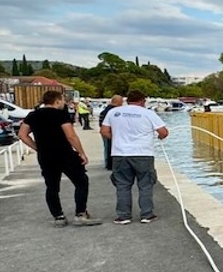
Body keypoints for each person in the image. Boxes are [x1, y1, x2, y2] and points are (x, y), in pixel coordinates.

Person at [18, 90, 99, 226]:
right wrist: (81, 153)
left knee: (52, 186)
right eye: (62, 100)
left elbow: (22, 134)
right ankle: (80, 213)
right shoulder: (60, 114)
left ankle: (58, 216)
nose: (63, 103)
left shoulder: (33, 115)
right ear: (56, 101)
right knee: (81, 181)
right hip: (64, 153)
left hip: (45, 156)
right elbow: (70, 135)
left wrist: (37, 147)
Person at [100, 89, 169, 224]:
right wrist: (160, 137)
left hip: (120, 154)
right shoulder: (148, 113)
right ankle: (146, 214)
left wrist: (117, 140)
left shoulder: (114, 112)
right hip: (143, 154)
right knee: (145, 184)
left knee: (122, 185)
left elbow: (104, 131)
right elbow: (163, 132)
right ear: (143, 101)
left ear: (127, 100)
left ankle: (123, 216)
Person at [98, 95, 124, 169]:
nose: (122, 104)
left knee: (107, 147)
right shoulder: (114, 111)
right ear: (118, 102)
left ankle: (108, 163)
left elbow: (101, 123)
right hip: (110, 132)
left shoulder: (105, 110)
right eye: (121, 102)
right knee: (110, 148)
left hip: (106, 131)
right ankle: (110, 165)